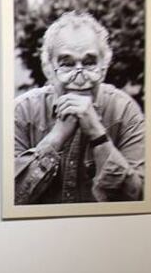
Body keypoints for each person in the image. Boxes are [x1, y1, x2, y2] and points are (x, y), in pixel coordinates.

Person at [14, 11, 145, 203]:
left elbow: (137, 199)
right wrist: (56, 138)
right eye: (67, 64)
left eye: (89, 63)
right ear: (48, 69)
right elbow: (10, 198)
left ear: (104, 67)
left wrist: (98, 135)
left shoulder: (125, 111)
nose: (79, 76)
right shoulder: (22, 111)